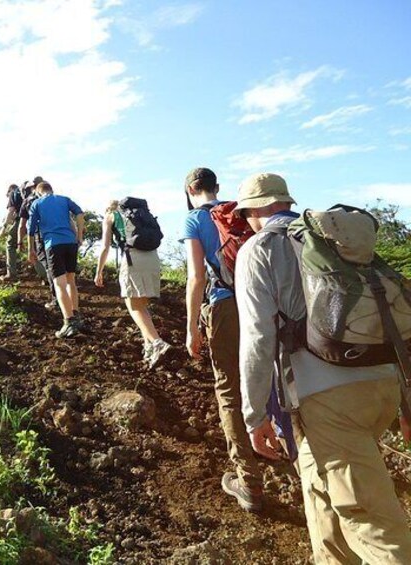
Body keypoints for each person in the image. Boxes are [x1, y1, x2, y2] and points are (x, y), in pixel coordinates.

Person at [234, 172, 411, 563]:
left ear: (254, 211)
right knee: (320, 493)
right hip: (380, 384)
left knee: (372, 522)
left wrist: (254, 414)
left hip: (329, 400)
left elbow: (258, 338)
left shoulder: (259, 249)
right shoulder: (334, 243)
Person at [180, 167, 263, 512]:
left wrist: (191, 328)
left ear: (190, 189)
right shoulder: (241, 210)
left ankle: (250, 482)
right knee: (270, 379)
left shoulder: (193, 221)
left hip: (224, 306)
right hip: (260, 302)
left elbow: (196, 277)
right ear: (217, 187)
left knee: (229, 387)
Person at [95, 200, 172, 368]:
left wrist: (99, 270)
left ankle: (157, 342)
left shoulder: (110, 216)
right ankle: (149, 348)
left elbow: (105, 247)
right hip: (152, 258)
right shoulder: (141, 215)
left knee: (133, 305)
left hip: (133, 259)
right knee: (142, 305)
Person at [27, 181, 85, 338]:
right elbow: (79, 213)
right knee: (71, 281)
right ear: (51, 190)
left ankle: (68, 322)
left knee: (59, 284)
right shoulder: (64, 199)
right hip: (70, 242)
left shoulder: (37, 203)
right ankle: (76, 316)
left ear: (39, 192)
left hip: (53, 244)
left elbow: (31, 229)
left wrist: (30, 249)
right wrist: (79, 236)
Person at [17, 179, 59, 309]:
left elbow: (22, 225)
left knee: (49, 267)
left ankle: (56, 298)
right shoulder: (54, 198)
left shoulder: (29, 201)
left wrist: (19, 242)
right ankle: (64, 297)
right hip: (57, 235)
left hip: (39, 237)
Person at [0, 182, 24, 281]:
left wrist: (4, 227)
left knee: (10, 244)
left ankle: (11, 274)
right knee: (36, 248)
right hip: (34, 221)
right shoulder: (25, 194)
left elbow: (11, 211)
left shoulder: (13, 194)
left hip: (21, 221)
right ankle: (46, 275)